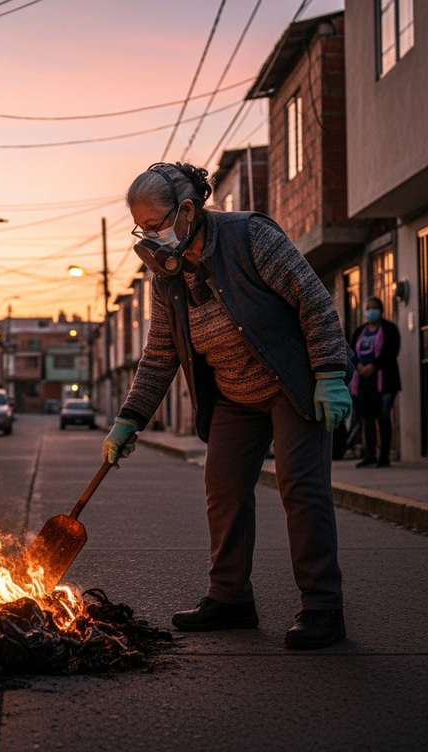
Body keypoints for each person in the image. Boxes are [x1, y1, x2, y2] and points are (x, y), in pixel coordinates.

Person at [102, 161, 352, 650]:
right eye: (141, 229)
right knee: (223, 489)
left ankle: (323, 607)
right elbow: (160, 352)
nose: (149, 238)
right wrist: (129, 419)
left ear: (188, 210)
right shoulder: (166, 276)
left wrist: (330, 375)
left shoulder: (250, 236)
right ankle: (231, 598)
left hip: (292, 386)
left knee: (301, 491)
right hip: (233, 394)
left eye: (155, 226)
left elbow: (315, 302)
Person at [349, 296, 401, 468]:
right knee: (367, 417)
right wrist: (359, 366)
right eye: (368, 308)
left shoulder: (389, 329)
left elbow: (392, 351)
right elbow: (351, 351)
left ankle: (384, 456)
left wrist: (374, 365)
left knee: (383, 415)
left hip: (384, 380)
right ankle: (370, 454)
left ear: (381, 309)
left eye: (374, 307)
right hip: (364, 381)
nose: (371, 311)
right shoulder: (359, 331)